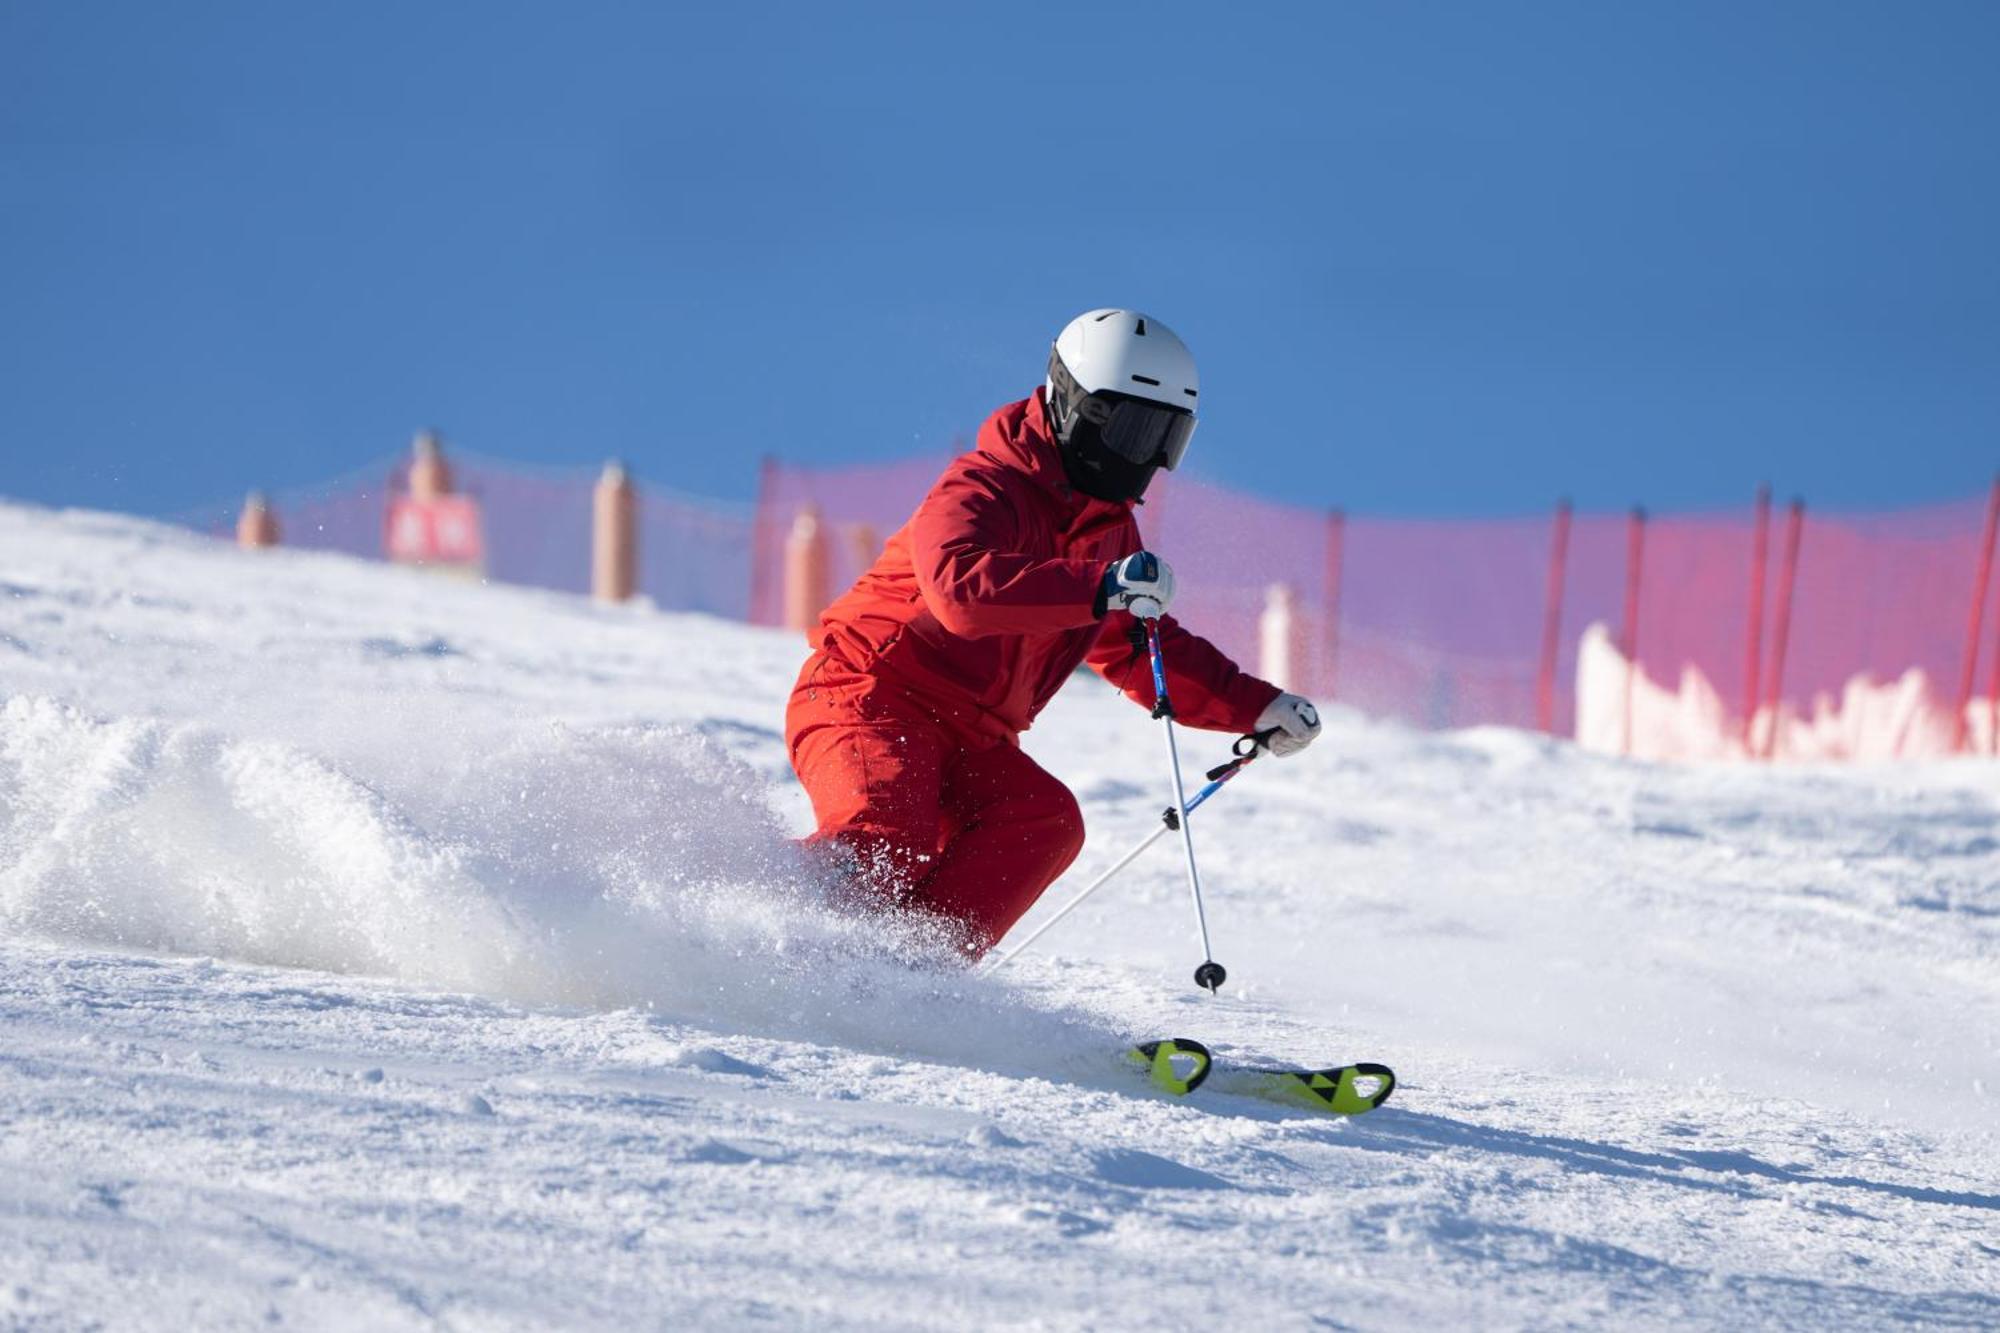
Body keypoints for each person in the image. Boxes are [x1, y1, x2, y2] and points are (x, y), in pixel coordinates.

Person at [785, 308, 1323, 956]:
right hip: (870, 695)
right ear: (1076, 407)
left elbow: (1136, 646)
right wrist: (1099, 587)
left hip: (972, 735)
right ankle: (761, 932)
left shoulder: (1109, 532)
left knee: (1041, 818)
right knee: (883, 836)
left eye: (1164, 435)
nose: (1145, 455)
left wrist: (1255, 705)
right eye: (1131, 428)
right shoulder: (984, 486)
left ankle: (910, 974)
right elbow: (962, 591)